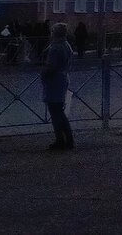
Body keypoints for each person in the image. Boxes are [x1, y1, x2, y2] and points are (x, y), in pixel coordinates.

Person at [41, 22, 74, 151]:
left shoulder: (55, 47)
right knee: (59, 111)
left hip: (54, 80)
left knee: (55, 112)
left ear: (55, 33)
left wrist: (44, 73)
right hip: (63, 78)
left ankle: (60, 140)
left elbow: (51, 66)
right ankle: (68, 139)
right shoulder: (66, 45)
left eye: (52, 31)